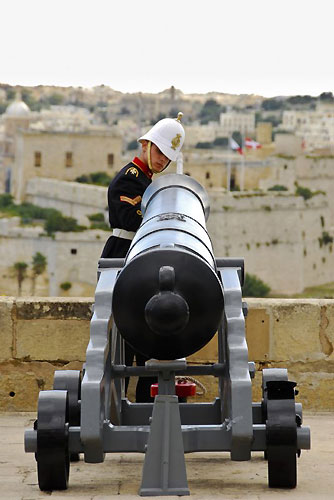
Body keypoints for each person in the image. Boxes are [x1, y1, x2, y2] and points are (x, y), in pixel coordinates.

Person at [101, 112, 185, 402]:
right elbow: (132, 219)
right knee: (123, 343)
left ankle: (148, 406)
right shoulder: (129, 179)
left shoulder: (149, 182)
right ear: (145, 144)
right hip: (124, 253)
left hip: (143, 255)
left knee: (150, 341)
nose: (162, 160)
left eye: (167, 157)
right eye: (159, 152)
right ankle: (115, 406)